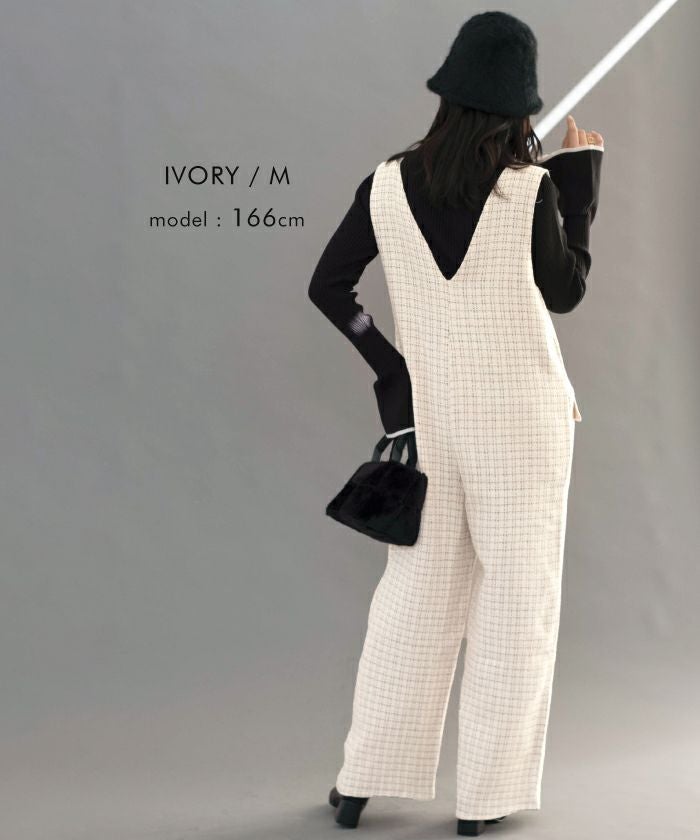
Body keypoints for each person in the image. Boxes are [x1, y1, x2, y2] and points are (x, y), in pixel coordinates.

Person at [308, 11, 603, 837]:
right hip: (525, 429)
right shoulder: (531, 190)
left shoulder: (385, 184)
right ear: (520, 107)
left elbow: (329, 289)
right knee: (516, 598)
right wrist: (580, 188)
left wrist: (392, 369)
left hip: (433, 424)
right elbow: (568, 290)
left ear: (448, 92)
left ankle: (361, 782)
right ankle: (484, 800)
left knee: (415, 595)